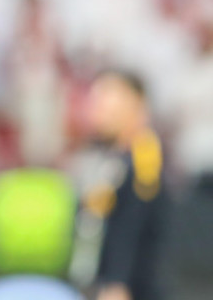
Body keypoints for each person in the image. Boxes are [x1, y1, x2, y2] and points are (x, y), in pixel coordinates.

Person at [71, 70, 168, 300]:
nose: (99, 106)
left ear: (135, 104)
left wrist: (117, 282)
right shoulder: (105, 155)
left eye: (107, 96)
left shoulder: (144, 155)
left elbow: (132, 225)